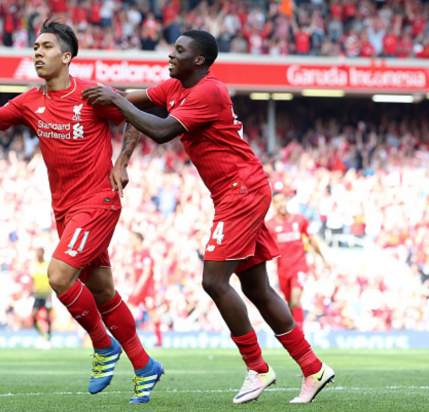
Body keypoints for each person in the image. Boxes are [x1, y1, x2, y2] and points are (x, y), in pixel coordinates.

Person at [82, 30, 335, 404]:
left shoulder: (209, 91)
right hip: (236, 191)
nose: (171, 53)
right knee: (256, 289)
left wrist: (116, 100)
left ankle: (258, 368)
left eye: (179, 50)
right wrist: (101, 123)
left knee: (214, 281)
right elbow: (131, 109)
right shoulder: (172, 88)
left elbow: (163, 129)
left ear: (198, 60)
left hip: (241, 190)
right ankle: (313, 367)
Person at [0, 19, 163, 404]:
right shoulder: (28, 101)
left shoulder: (92, 95)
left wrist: (122, 161)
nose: (37, 53)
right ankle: (144, 365)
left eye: (46, 47)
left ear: (67, 56)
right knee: (103, 291)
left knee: (58, 275)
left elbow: (134, 118)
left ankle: (103, 346)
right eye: (35, 47)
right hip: (65, 210)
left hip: (99, 201)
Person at [266, 193, 330, 333]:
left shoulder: (300, 220)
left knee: (295, 301)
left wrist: (323, 259)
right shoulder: (270, 225)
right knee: (289, 303)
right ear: (274, 205)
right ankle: (292, 333)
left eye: (282, 200)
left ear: (287, 201)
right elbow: (266, 247)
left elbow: (312, 240)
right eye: (277, 202)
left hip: (299, 267)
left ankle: (299, 333)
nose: (281, 204)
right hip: (282, 269)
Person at [128, 232, 162, 347]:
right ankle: (125, 340)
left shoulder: (145, 253)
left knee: (153, 315)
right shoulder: (134, 254)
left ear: (138, 240)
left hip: (147, 290)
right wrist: (131, 285)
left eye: (132, 238)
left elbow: (146, 273)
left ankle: (159, 341)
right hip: (138, 289)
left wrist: (137, 288)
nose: (130, 241)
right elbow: (134, 273)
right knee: (125, 311)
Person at [30, 247, 53, 342]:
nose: (38, 256)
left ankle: (49, 335)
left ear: (43, 254)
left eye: (40, 254)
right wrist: (31, 291)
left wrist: (50, 295)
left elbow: (51, 280)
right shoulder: (34, 265)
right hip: (38, 295)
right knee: (33, 316)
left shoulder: (47, 265)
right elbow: (33, 280)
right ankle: (41, 333)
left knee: (47, 317)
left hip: (46, 294)